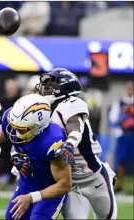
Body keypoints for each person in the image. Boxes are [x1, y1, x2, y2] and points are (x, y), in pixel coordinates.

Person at [34, 68, 117, 219]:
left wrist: (69, 144)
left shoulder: (72, 103)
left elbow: (75, 128)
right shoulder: (42, 111)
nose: (45, 88)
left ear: (63, 86)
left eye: (51, 84)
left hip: (94, 177)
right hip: (70, 183)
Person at [0, 94, 72, 220]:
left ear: (38, 127)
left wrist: (32, 197)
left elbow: (65, 184)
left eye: (21, 129)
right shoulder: (13, 122)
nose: (15, 132)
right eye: (14, 126)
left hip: (50, 189)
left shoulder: (52, 142)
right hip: (27, 183)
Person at [109, 81, 134, 194]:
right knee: (121, 161)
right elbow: (113, 118)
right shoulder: (120, 102)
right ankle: (120, 186)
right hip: (124, 135)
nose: (130, 90)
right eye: (129, 88)